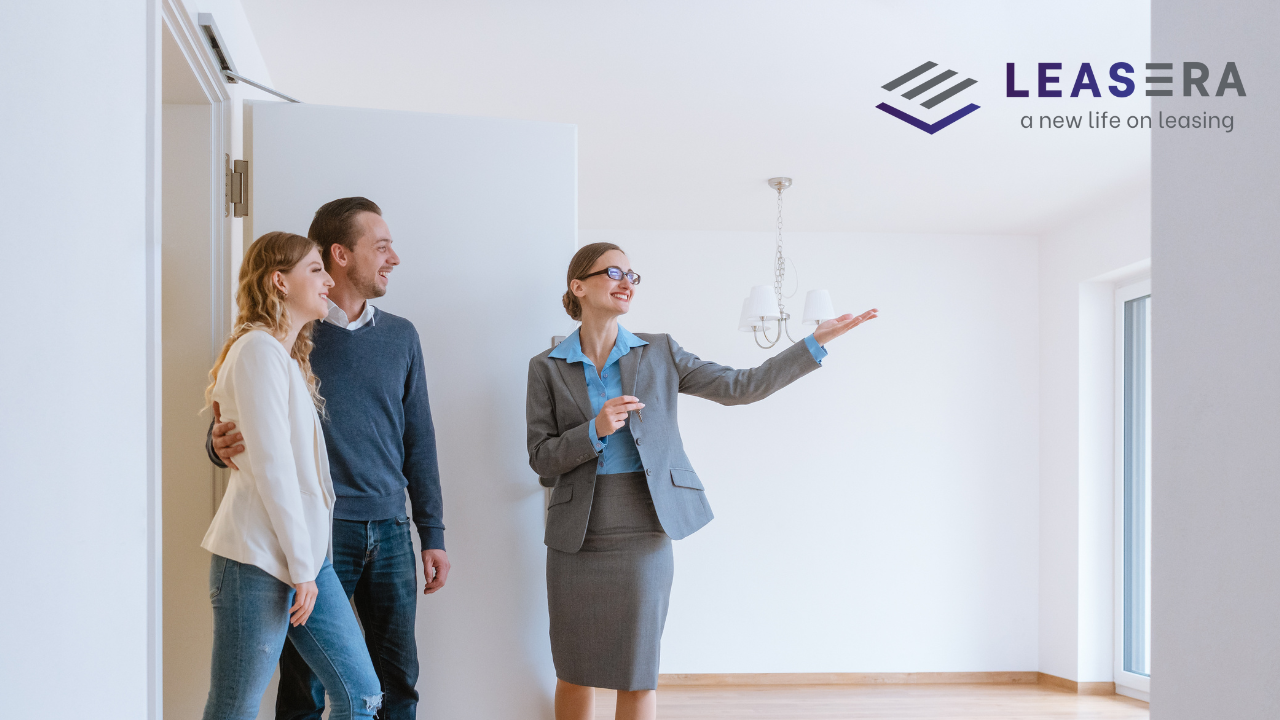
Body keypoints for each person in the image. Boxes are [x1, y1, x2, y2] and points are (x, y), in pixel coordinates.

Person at [526, 242, 877, 720]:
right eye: (613, 272)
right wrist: (595, 430)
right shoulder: (545, 367)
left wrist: (814, 343)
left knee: (637, 668)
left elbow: (741, 386)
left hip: (644, 526)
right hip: (576, 536)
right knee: (573, 669)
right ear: (578, 286)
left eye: (633, 274)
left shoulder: (660, 352)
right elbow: (542, 459)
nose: (627, 280)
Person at [207, 198, 448, 720]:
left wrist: (432, 532)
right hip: (311, 535)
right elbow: (258, 437)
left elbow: (419, 439)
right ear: (341, 254)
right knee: (299, 690)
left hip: (383, 528)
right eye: (381, 246)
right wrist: (216, 441)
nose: (394, 258)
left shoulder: (394, 336)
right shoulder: (286, 342)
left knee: (390, 682)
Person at [201, 231, 382, 720]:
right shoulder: (257, 351)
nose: (328, 280)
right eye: (316, 270)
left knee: (361, 694)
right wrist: (303, 569)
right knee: (234, 708)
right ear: (279, 282)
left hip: (304, 556)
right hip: (259, 561)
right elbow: (273, 470)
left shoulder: (282, 357)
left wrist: (307, 564)